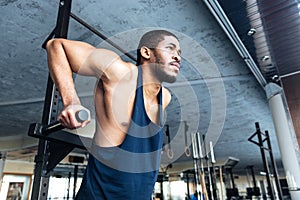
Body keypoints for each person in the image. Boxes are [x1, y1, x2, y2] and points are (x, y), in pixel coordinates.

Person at [46, 30, 181, 199]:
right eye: (170, 48)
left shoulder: (165, 97)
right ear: (146, 52)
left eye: (179, 53)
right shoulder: (120, 73)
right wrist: (71, 102)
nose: (177, 57)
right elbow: (56, 46)